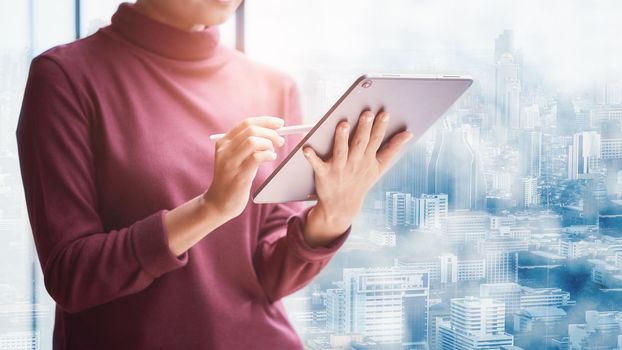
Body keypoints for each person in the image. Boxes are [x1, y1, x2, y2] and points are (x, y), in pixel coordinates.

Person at [15, 0, 413, 349]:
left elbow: (270, 277)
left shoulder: (274, 86)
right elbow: (72, 276)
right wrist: (210, 208)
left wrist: (334, 216)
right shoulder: (65, 77)